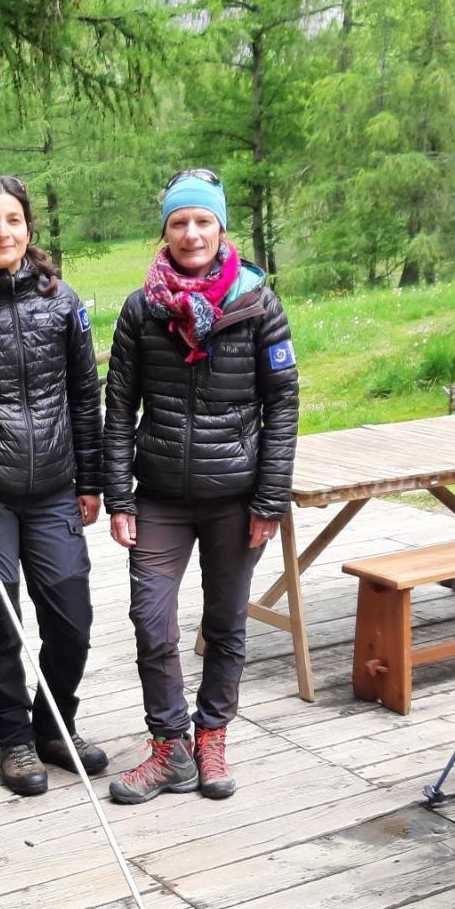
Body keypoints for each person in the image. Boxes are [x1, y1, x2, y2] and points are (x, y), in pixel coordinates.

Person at [102, 168, 299, 805]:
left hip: (236, 497)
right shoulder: (141, 309)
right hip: (158, 493)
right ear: (165, 231)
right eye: (179, 222)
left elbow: (284, 404)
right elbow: (118, 405)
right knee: (151, 621)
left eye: (203, 221)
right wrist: (119, 495)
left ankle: (211, 735)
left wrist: (270, 498)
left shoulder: (258, 303)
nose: (192, 233)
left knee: (225, 622)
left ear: (220, 229)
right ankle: (168, 749)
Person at [0, 176, 106, 796]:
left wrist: (91, 479)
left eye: (12, 220)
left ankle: (55, 725)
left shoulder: (62, 303)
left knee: (72, 619)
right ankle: (13, 738)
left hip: (55, 491)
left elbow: (84, 394)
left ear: (28, 229)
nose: (2, 231)